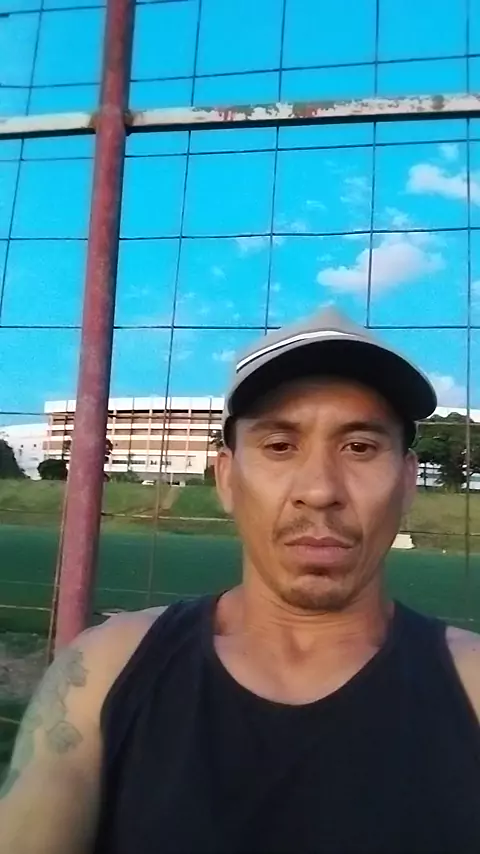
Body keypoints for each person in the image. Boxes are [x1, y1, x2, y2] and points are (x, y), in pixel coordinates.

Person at [0, 308, 479, 854]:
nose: (320, 490)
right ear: (226, 478)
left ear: (408, 481)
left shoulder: (471, 685)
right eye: (279, 446)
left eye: (360, 447)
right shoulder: (104, 670)